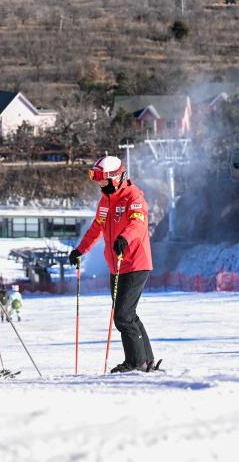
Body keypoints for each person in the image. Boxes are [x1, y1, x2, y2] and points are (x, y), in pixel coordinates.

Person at [68, 155, 156, 373]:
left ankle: (135, 362)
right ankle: (147, 361)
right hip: (115, 264)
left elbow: (137, 222)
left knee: (123, 316)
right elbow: (96, 228)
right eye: (97, 179)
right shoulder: (105, 201)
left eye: (103, 179)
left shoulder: (133, 197)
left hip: (134, 262)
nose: (100, 184)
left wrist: (125, 237)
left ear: (116, 178)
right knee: (128, 314)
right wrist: (80, 250)